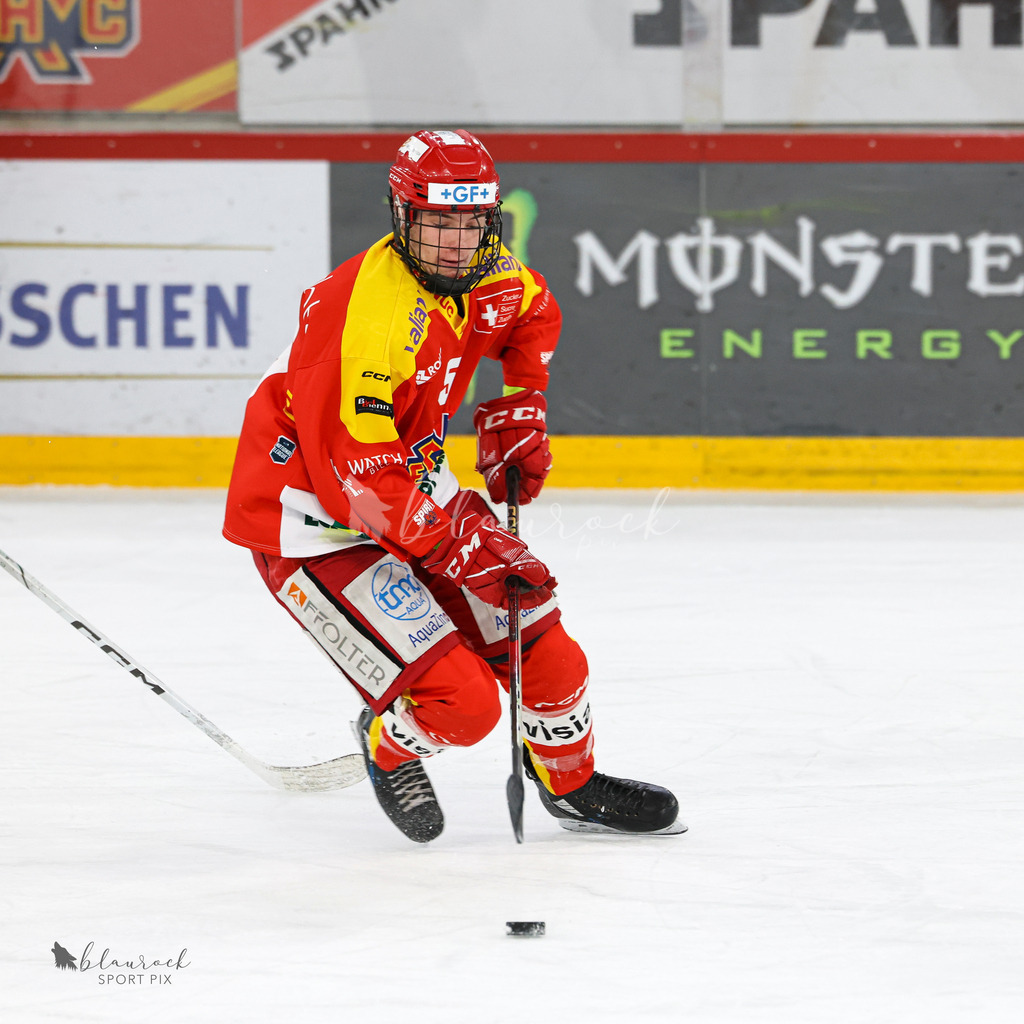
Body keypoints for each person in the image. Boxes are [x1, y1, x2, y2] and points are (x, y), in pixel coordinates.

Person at [222, 129, 682, 843]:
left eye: (470, 222)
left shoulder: (490, 269)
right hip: (315, 524)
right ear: (402, 216)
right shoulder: (365, 320)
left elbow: (533, 312)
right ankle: (388, 740)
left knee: (550, 652)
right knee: (465, 706)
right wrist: (456, 547)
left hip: (414, 491)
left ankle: (571, 784)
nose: (454, 243)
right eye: (436, 222)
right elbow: (358, 483)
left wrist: (521, 402)